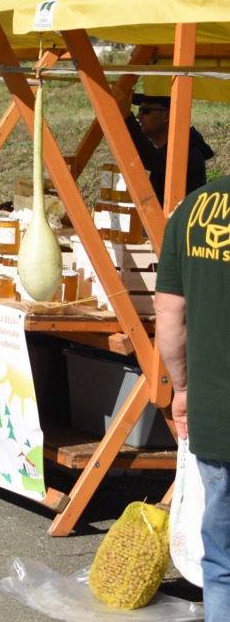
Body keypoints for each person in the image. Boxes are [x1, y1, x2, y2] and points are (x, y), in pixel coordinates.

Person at [155, 175, 230, 619]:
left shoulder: (191, 210)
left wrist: (182, 388)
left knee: (222, 560)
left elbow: (168, 312)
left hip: (216, 412)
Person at [126, 93, 214, 207]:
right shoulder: (181, 147)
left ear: (167, 116)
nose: (138, 116)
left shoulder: (187, 150)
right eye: (139, 110)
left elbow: (154, 160)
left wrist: (127, 118)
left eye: (145, 110)